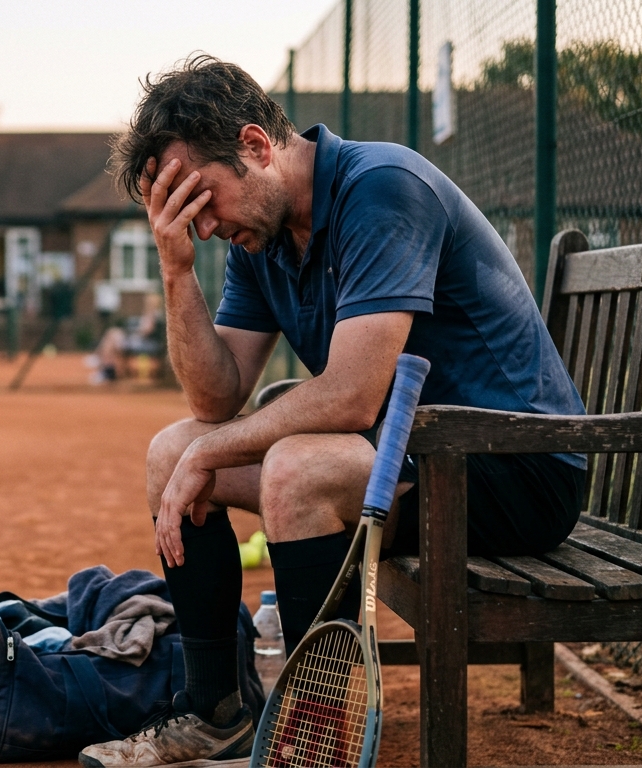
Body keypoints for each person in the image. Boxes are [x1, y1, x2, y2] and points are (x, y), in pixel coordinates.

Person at [77, 55, 586, 768]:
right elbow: (215, 399)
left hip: (514, 469)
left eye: (204, 198)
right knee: (172, 451)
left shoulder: (383, 189)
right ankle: (214, 711)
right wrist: (175, 271)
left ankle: (319, 738)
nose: (204, 224)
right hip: (411, 460)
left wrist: (213, 452)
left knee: (296, 468)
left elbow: (352, 393)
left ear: (256, 147)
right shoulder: (262, 234)